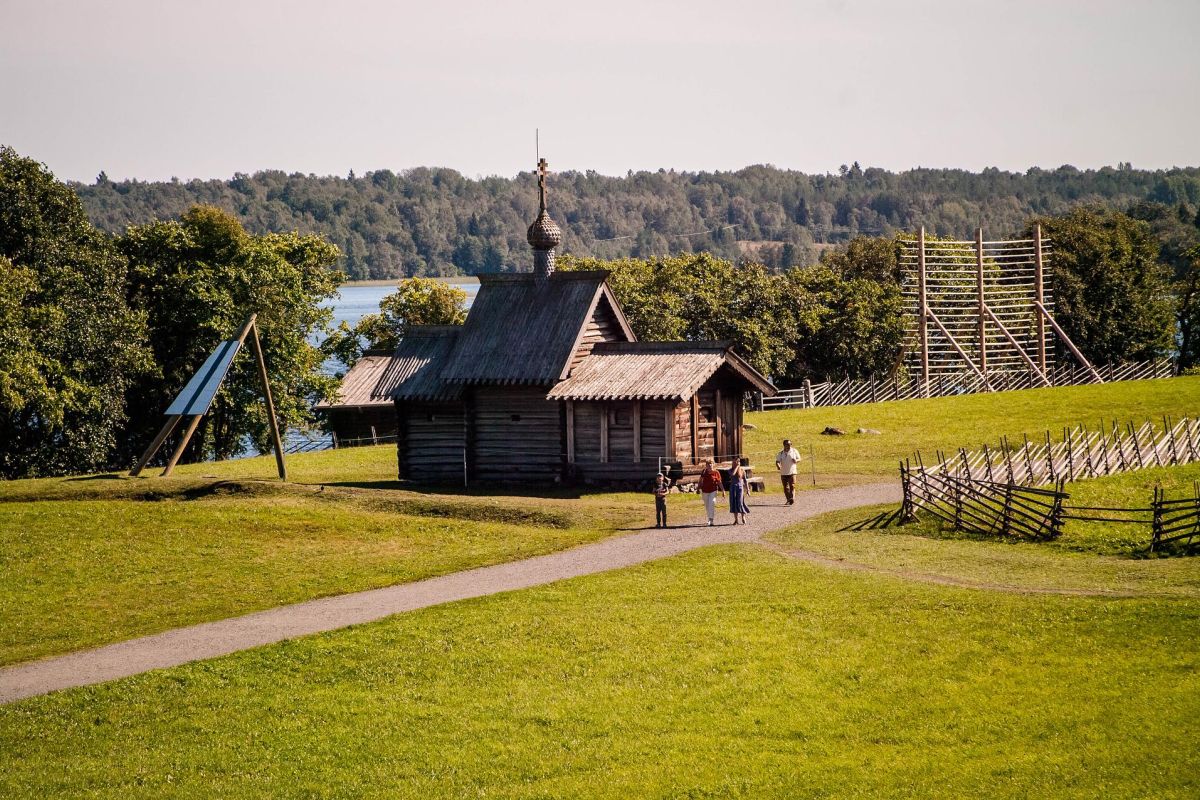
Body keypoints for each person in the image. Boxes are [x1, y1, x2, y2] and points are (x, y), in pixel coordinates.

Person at [698, 459, 725, 526]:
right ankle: (709, 518)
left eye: (711, 463)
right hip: (705, 491)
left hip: (713, 490)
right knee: (707, 505)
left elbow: (719, 482)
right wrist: (698, 488)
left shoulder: (716, 472)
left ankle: (711, 519)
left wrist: (723, 490)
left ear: (713, 464)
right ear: (706, 465)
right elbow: (700, 480)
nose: (710, 465)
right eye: (708, 464)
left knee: (712, 503)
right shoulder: (704, 472)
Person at [775, 439, 802, 506]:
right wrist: (778, 466)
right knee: (785, 487)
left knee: (792, 485)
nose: (789, 446)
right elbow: (777, 461)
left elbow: (799, 459)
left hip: (792, 472)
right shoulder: (780, 453)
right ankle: (788, 499)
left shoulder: (794, 451)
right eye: (788, 445)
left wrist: (796, 460)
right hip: (783, 472)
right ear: (784, 445)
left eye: (790, 444)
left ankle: (792, 498)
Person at [728, 457, 751, 524]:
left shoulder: (742, 471)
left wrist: (748, 490)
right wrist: (737, 467)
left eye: (737, 462)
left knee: (740, 502)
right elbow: (733, 474)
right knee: (733, 502)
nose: (735, 463)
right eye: (733, 462)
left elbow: (745, 480)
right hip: (733, 488)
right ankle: (736, 519)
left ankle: (743, 517)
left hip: (740, 488)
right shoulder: (730, 470)